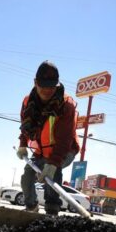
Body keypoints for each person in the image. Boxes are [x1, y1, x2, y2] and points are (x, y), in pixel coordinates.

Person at [16, 61, 80, 215]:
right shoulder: (27, 102)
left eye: (51, 86)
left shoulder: (66, 105)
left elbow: (64, 139)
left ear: (57, 85)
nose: (47, 90)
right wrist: (23, 144)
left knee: (52, 171)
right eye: (43, 85)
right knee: (27, 177)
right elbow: (25, 125)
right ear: (35, 83)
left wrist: (53, 163)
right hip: (42, 151)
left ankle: (52, 211)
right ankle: (31, 207)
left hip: (65, 150)